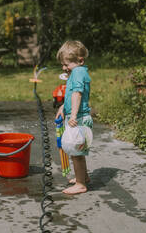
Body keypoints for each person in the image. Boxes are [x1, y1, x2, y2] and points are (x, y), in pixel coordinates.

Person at [55, 40, 93, 195]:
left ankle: (80, 184)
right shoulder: (78, 71)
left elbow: (78, 94)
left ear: (80, 60)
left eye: (66, 65)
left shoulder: (77, 73)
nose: (64, 68)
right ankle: (83, 177)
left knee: (76, 151)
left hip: (79, 118)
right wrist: (64, 107)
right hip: (77, 115)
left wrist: (74, 115)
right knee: (77, 150)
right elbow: (71, 95)